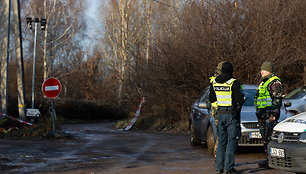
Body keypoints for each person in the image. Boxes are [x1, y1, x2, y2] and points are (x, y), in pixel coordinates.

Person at [209, 62, 245, 174]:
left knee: (221, 141)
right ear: (231, 71)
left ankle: (219, 167)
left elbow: (211, 98)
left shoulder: (214, 82)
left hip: (220, 114)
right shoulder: (233, 82)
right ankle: (228, 168)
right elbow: (240, 99)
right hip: (231, 115)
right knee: (231, 141)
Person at [254, 61, 283, 168]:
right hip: (262, 115)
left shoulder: (275, 82)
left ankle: (272, 161)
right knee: (265, 138)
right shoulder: (263, 82)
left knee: (270, 138)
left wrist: (273, 114)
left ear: (269, 71)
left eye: (264, 70)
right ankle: (268, 160)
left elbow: (277, 100)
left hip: (270, 115)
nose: (261, 72)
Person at [209, 61, 225, 157]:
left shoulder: (213, 79)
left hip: (215, 110)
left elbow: (211, 97)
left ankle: (218, 157)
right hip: (223, 110)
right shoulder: (225, 79)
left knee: (220, 134)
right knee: (222, 135)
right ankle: (219, 157)